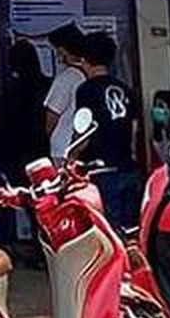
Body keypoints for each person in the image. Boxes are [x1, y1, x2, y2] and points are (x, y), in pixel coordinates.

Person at [73, 32, 140, 232]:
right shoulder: (125, 89)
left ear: (84, 60)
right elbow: (134, 130)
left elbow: (84, 131)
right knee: (131, 230)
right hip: (128, 167)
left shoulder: (86, 90)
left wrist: (73, 156)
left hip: (102, 170)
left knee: (108, 231)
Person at [0, 39, 51, 182]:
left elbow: (4, 123)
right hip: (42, 144)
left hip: (17, 149)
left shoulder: (11, 90)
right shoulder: (47, 84)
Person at [44, 23, 87, 162]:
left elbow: (52, 114)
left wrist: (47, 137)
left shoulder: (67, 77)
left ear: (63, 50)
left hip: (63, 146)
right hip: (85, 144)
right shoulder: (90, 74)